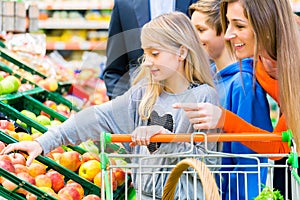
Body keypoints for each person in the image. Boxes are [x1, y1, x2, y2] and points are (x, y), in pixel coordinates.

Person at [1, 12, 220, 199]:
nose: (148, 61)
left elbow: (208, 164)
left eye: (155, 53)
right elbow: (96, 117)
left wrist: (166, 139)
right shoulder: (143, 95)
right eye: (145, 53)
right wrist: (44, 142)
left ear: (182, 52)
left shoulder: (203, 97)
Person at [175, 0, 300, 198]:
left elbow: (278, 147)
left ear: (265, 24)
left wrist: (224, 118)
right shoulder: (260, 61)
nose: (227, 34)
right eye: (228, 23)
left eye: (239, 25)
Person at [188, 1, 273, 200]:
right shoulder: (211, 79)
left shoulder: (243, 84)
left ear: (224, 31)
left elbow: (249, 160)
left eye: (201, 30)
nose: (193, 40)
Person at [103, 0, 198, 99]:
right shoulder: (124, 3)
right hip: (141, 103)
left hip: (190, 100)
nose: (147, 62)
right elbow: (115, 69)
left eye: (155, 53)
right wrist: (127, 108)